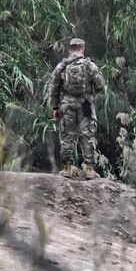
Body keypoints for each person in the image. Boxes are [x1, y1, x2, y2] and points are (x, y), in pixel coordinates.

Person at [47, 37, 106, 179]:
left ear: (69, 50)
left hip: (67, 104)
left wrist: (55, 107)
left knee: (67, 135)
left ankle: (67, 168)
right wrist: (90, 94)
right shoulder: (89, 65)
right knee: (88, 134)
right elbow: (100, 85)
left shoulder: (62, 66)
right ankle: (89, 169)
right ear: (82, 49)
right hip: (85, 103)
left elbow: (54, 88)